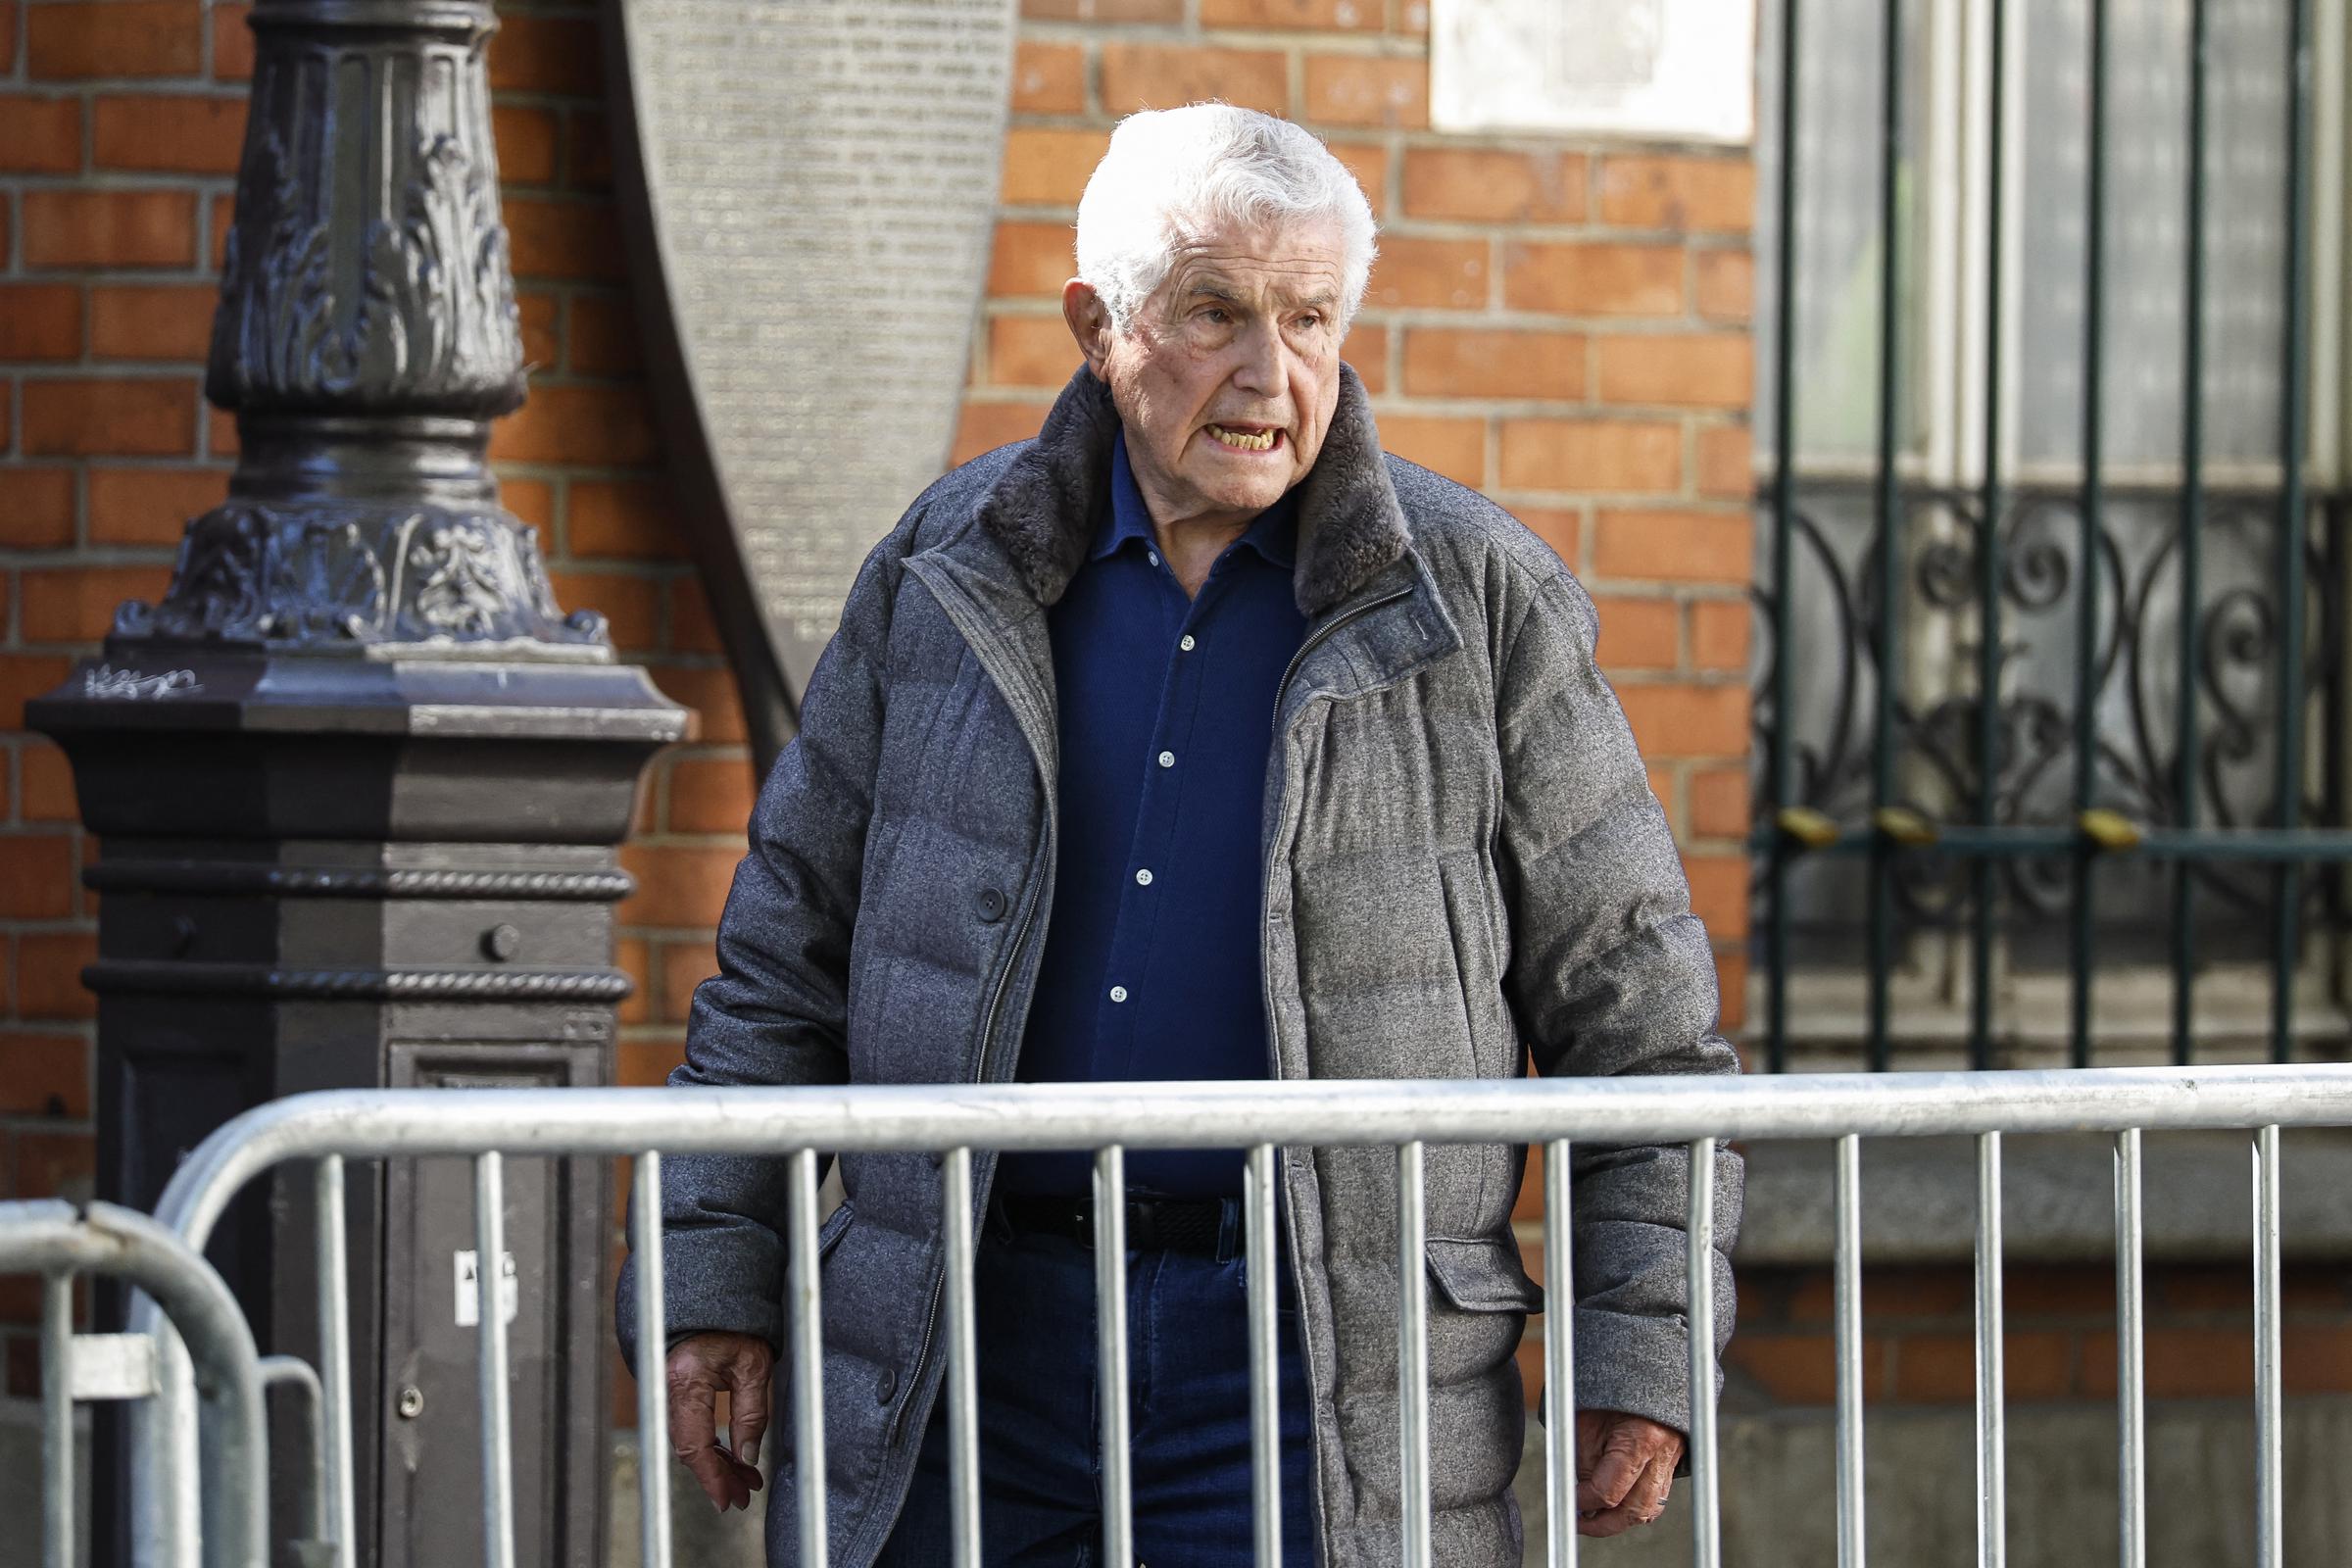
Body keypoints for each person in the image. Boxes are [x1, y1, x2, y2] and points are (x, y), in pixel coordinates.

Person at [618, 102, 1742, 1567]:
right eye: (1217, 312)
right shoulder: (941, 576)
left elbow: (1640, 1020)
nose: (1269, 375)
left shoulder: (1480, 604)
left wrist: (1643, 1349)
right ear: (1102, 323)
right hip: (966, 1340)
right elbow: (784, 966)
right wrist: (722, 1275)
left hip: (1316, 1361)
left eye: (1309, 318)